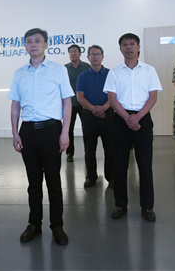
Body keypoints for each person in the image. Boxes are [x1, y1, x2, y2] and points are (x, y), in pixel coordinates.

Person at [9, 28, 73, 245]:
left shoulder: (58, 70)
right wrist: (15, 132)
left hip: (51, 130)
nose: (33, 44)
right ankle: (34, 224)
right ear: (25, 46)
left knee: (53, 181)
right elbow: (15, 105)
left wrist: (65, 132)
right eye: (29, 41)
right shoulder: (20, 73)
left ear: (46, 45)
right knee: (33, 182)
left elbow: (67, 102)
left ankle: (57, 226)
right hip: (28, 131)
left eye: (37, 41)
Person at [103, 33, 162, 222]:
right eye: (124, 44)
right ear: (120, 48)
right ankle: (120, 205)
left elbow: (153, 96)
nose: (128, 47)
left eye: (132, 44)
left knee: (145, 165)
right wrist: (128, 118)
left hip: (142, 119)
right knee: (120, 165)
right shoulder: (114, 72)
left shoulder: (149, 70)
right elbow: (112, 99)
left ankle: (147, 207)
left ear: (138, 47)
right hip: (120, 120)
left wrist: (137, 117)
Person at [76, 45, 114, 188]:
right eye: (92, 54)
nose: (95, 57)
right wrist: (94, 109)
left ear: (102, 57)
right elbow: (80, 97)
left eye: (98, 54)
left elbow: (115, 95)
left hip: (108, 114)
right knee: (89, 147)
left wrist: (103, 108)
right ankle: (91, 176)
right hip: (89, 115)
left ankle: (111, 176)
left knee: (110, 147)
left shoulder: (111, 74)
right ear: (88, 57)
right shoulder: (83, 76)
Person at [64, 44, 90, 162]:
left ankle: (88, 151)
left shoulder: (86, 67)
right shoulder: (65, 68)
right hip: (69, 104)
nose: (73, 54)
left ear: (80, 53)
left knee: (87, 129)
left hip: (84, 103)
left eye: (75, 51)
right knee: (69, 129)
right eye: (71, 52)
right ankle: (70, 153)